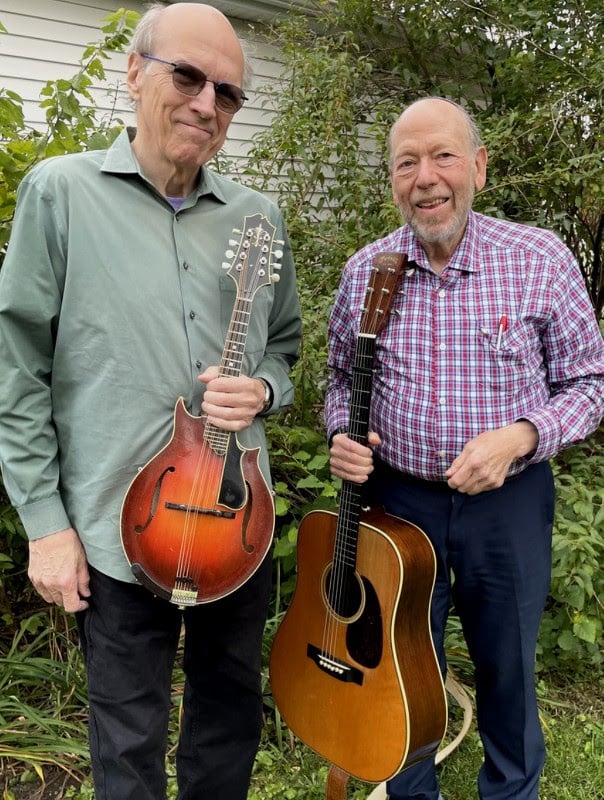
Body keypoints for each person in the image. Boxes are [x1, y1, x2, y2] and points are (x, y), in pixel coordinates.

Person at [0, 4, 301, 799]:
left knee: (228, 719)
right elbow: (17, 369)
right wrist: (45, 524)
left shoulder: (257, 219)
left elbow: (287, 348)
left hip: (238, 521)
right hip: (116, 526)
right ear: (136, 73)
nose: (207, 103)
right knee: (127, 739)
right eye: (188, 76)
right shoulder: (60, 194)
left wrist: (265, 386)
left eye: (228, 92)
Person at [324, 97, 604, 800]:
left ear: (477, 166)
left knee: (507, 666)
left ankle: (511, 790)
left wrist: (523, 436)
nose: (426, 177)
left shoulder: (539, 258)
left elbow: (591, 382)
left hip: (507, 505)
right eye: (407, 163)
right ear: (391, 180)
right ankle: (408, 790)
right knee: (398, 665)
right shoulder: (367, 272)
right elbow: (337, 377)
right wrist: (340, 433)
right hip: (398, 505)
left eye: (443, 155)